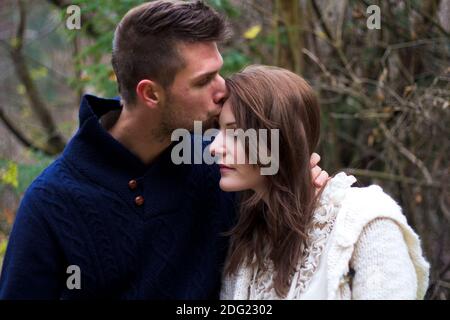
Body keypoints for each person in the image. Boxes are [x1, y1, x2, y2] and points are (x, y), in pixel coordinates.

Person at [0, 1, 327, 299]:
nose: (223, 88)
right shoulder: (51, 205)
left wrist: (300, 185)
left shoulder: (221, 165)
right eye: (204, 80)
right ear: (151, 94)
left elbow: (283, 222)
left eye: (219, 71)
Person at [211, 65, 430, 300]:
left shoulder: (366, 223)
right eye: (219, 131)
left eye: (234, 134)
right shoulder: (249, 242)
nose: (214, 148)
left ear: (278, 140)